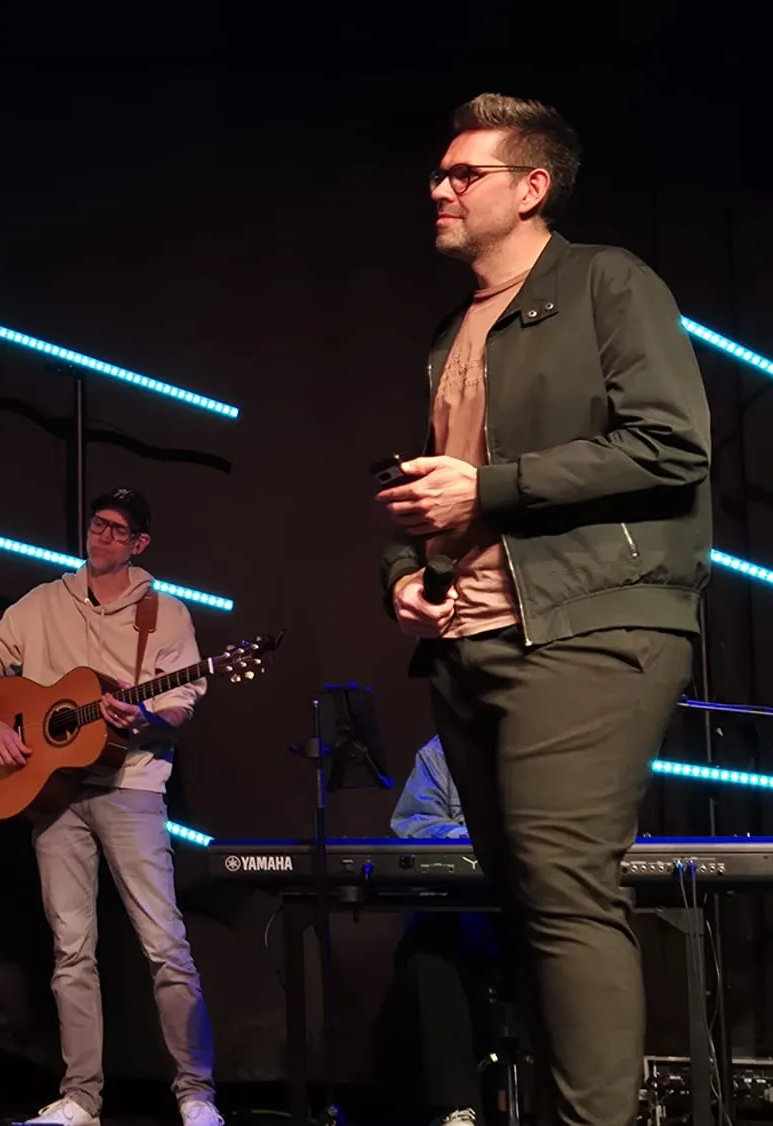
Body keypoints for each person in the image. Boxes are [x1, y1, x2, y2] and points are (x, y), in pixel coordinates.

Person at [376, 92, 709, 1126]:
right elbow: (435, 487)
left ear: (529, 188)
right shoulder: (450, 331)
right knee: (521, 903)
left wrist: (488, 488)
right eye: (437, 172)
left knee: (566, 896)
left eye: (461, 173)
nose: (437, 188)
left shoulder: (607, 282)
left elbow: (671, 443)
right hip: (471, 637)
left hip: (592, 624)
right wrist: (405, 570)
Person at [0, 489, 221, 1126]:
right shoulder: (43, 602)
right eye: (97, 525)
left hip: (132, 787)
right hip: (55, 798)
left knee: (165, 945)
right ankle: (81, 1098)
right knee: (72, 950)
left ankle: (196, 1093)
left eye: (117, 530)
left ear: (139, 544)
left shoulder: (166, 614)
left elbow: (180, 705)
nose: (101, 537)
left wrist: (147, 714)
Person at [389, 737, 501, 1126]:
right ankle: (457, 1110)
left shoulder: (561, 737)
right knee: (428, 944)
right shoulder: (442, 751)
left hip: (547, 906)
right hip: (471, 911)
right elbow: (412, 824)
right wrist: (480, 841)